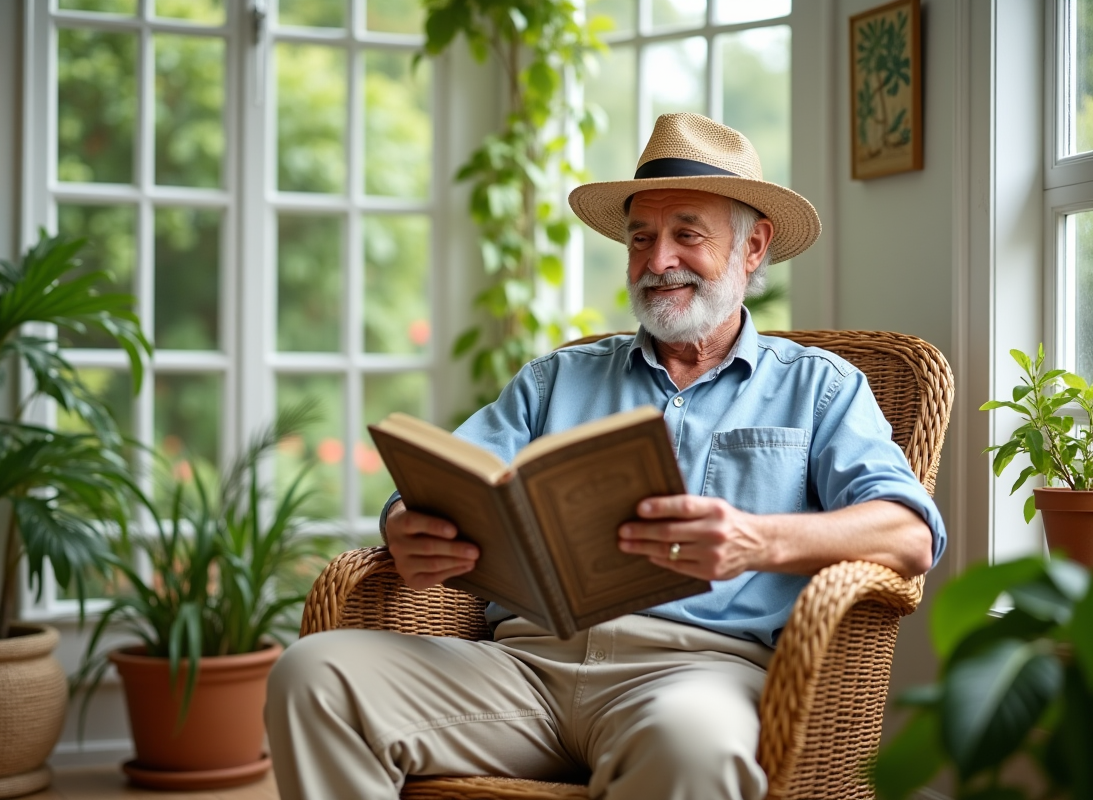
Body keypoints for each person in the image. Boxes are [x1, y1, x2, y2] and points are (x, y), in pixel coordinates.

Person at [264, 113, 945, 800]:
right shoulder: (558, 378)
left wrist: (755, 540)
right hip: (523, 669)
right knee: (313, 674)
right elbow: (442, 484)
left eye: (686, 234)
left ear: (753, 248)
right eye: (641, 238)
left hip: (694, 677)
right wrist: (406, 526)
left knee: (693, 751)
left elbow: (908, 535)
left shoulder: (819, 387)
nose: (657, 262)